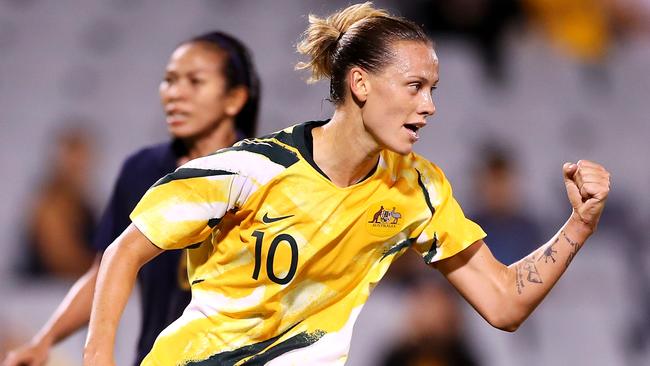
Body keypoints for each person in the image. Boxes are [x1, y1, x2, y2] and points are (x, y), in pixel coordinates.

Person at [83, 3, 611, 365]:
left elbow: (504, 305)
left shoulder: (417, 190)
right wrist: (98, 357)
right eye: (415, 86)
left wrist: (578, 227)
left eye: (433, 89)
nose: (429, 105)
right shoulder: (250, 170)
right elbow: (123, 253)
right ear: (360, 83)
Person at [3, 30, 260, 366]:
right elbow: (104, 271)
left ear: (235, 99)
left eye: (195, 82)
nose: (175, 93)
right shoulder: (143, 170)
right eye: (169, 80)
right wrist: (44, 341)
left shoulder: (263, 174)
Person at [19, 125, 97, 279]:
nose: (78, 167)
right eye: (72, 161)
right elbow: (62, 261)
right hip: (44, 296)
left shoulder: (84, 203)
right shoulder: (49, 204)